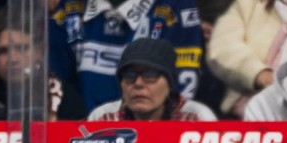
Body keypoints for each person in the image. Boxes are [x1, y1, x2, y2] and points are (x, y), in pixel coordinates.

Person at [48, 0, 206, 116]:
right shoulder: (69, 8)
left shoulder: (175, 6)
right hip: (85, 133)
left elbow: (182, 88)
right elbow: (55, 81)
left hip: (158, 135)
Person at [88, 37, 218, 120]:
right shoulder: (102, 118)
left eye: (150, 75)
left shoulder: (198, 118)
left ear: (170, 85)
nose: (138, 83)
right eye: (129, 75)